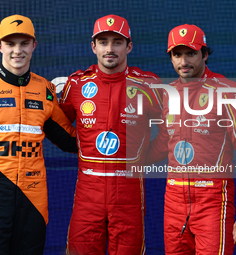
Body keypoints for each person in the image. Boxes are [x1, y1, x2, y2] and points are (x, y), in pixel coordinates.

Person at [0, 14, 77, 254]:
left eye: (24, 43)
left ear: (34, 45)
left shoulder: (46, 90)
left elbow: (70, 140)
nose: (17, 51)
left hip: (34, 201)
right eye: (10, 44)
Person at [147, 24, 236, 254]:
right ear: (170, 58)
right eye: (177, 55)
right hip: (173, 202)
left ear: (205, 54)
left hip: (213, 200)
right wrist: (129, 158)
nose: (183, 61)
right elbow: (164, 142)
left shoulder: (228, 92)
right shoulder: (167, 93)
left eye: (191, 53)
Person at [59, 14, 162, 255]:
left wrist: (143, 159)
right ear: (93, 46)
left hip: (128, 190)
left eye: (117, 42)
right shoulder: (77, 84)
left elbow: (172, 130)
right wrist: (82, 146)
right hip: (88, 188)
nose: (110, 48)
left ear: (129, 47)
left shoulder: (147, 85)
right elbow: (59, 124)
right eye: (103, 41)